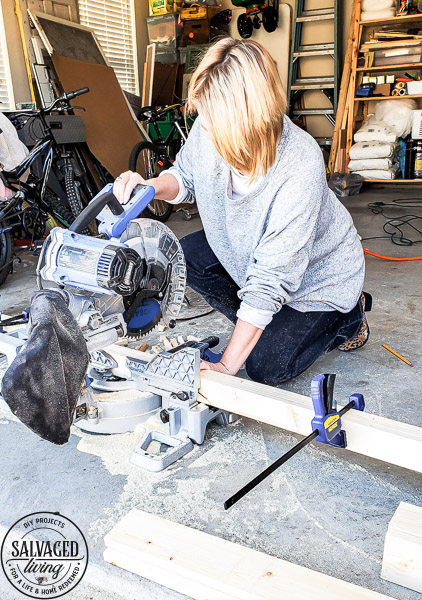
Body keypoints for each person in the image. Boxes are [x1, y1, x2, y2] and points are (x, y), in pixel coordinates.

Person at [113, 38, 370, 387]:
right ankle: (261, 326)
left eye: (210, 124)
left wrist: (227, 365)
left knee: (265, 368)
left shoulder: (299, 162)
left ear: (248, 120)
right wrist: (152, 186)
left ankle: (348, 318)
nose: (203, 131)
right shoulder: (211, 125)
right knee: (186, 256)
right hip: (251, 252)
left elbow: (270, 278)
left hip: (317, 279)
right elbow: (184, 175)